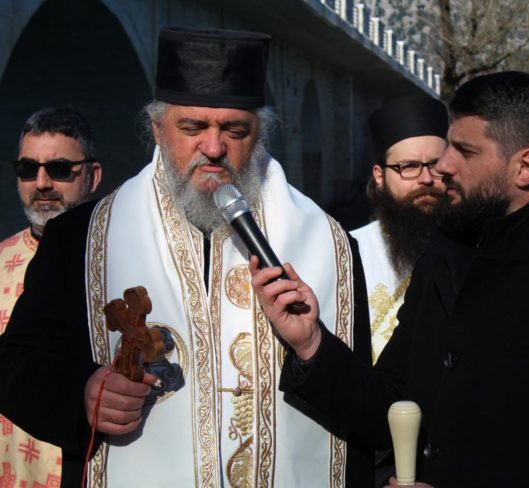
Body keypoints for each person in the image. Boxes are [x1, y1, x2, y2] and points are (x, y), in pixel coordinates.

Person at [0, 27, 372, 488]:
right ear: (157, 129)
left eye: (234, 130)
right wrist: (82, 394)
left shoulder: (329, 244)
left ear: (260, 133)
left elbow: (367, 409)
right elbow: (16, 367)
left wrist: (312, 348)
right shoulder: (80, 238)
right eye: (192, 128)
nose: (213, 148)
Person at [250, 71, 529, 487]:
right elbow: (392, 405)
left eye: (464, 151)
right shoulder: (444, 257)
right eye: (449, 145)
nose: (443, 166)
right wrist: (311, 344)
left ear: (525, 167)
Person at [0, 107, 101, 487]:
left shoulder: (117, 258)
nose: (41, 183)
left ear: (92, 176)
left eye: (59, 169)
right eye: (28, 169)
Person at [351, 96, 447, 362]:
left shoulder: (476, 246)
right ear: (379, 176)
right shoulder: (349, 251)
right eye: (409, 167)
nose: (426, 179)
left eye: (436, 166)